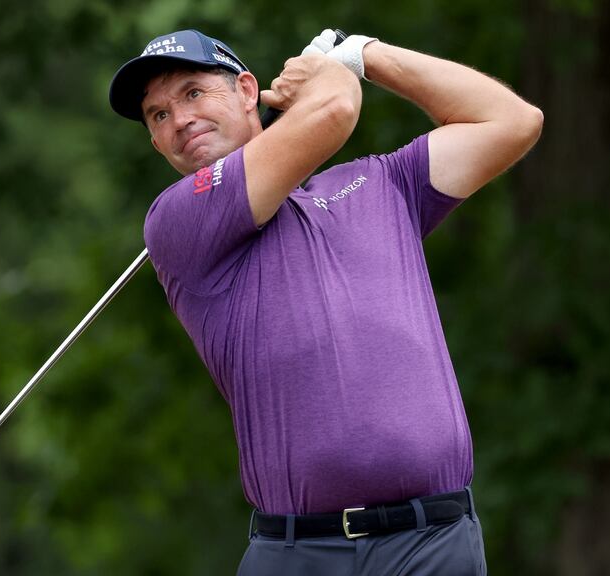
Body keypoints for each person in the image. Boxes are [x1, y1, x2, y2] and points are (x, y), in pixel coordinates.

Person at [109, 28, 542, 575]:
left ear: (247, 91)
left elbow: (512, 122)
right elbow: (334, 110)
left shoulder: (381, 182)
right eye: (158, 116)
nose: (179, 119)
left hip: (433, 543)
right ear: (155, 141)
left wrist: (367, 54)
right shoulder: (176, 222)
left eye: (193, 93)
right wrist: (331, 76)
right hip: (298, 553)